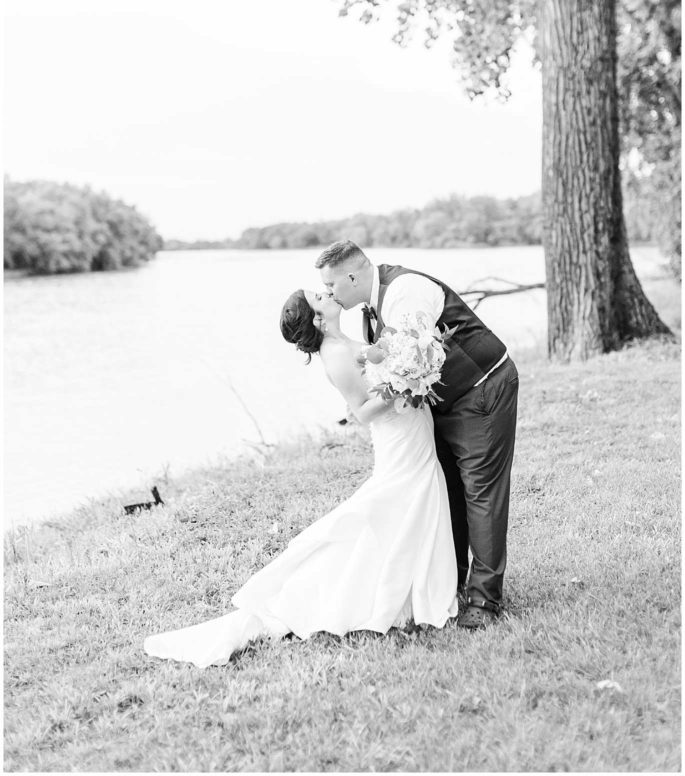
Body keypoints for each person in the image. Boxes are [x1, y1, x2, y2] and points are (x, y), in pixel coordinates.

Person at [143, 289, 458, 667]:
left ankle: (412, 582)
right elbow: (361, 411)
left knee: (406, 502)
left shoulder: (344, 342)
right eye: (319, 296)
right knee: (399, 500)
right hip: (396, 434)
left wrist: (404, 364)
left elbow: (372, 373)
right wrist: (403, 382)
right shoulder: (335, 355)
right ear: (317, 319)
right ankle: (388, 590)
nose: (328, 293)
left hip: (407, 428)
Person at [315, 241, 518, 630]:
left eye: (331, 285)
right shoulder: (370, 309)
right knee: (450, 491)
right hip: (441, 405)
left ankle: (484, 599)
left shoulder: (405, 293)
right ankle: (452, 580)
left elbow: (415, 361)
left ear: (352, 277)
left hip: (481, 389)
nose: (329, 293)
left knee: (481, 492)